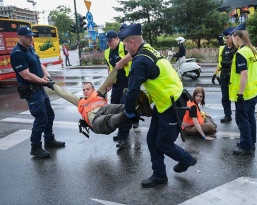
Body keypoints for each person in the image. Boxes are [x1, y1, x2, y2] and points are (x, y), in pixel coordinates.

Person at [118, 23, 197, 188]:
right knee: (152, 139)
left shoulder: (140, 61)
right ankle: (159, 175)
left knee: (163, 143)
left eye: (125, 45)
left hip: (173, 105)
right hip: (165, 104)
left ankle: (187, 159)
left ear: (132, 42)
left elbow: (132, 91)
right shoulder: (147, 49)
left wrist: (129, 112)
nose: (125, 49)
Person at [10, 26, 65, 158]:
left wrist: (47, 76)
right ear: (19, 37)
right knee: (41, 118)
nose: (31, 38)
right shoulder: (17, 53)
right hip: (32, 91)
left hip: (39, 89)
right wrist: (43, 81)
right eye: (28, 36)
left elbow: (39, 64)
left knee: (49, 115)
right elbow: (26, 75)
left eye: (31, 36)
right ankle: (35, 146)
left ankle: (49, 140)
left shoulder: (30, 48)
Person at [52, 81, 150, 135]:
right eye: (83, 90)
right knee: (109, 119)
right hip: (95, 119)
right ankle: (131, 113)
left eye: (88, 89)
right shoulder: (80, 102)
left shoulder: (99, 94)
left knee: (120, 107)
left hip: (104, 108)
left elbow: (110, 78)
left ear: (93, 89)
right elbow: (64, 94)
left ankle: (143, 109)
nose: (85, 91)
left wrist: (117, 65)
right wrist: (52, 85)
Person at [230, 25, 257, 155]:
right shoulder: (253, 49)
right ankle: (250, 142)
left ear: (237, 38)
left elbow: (244, 74)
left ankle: (245, 147)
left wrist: (240, 93)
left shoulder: (241, 53)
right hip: (254, 90)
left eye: (233, 38)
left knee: (242, 119)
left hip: (245, 93)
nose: (232, 41)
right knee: (250, 118)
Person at [104, 30, 134, 149]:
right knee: (115, 108)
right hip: (116, 84)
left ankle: (123, 136)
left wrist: (121, 62)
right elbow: (109, 68)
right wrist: (109, 82)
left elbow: (133, 54)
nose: (109, 43)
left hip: (128, 83)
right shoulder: (107, 52)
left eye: (110, 40)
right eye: (107, 41)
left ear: (117, 38)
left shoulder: (124, 46)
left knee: (124, 109)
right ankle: (122, 130)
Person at [212, 26, 237, 123]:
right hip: (224, 76)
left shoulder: (238, 48)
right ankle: (227, 115)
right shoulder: (222, 48)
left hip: (234, 77)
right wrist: (215, 74)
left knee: (236, 98)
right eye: (225, 38)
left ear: (233, 37)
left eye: (227, 38)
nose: (225, 40)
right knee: (225, 98)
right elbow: (220, 63)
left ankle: (238, 116)